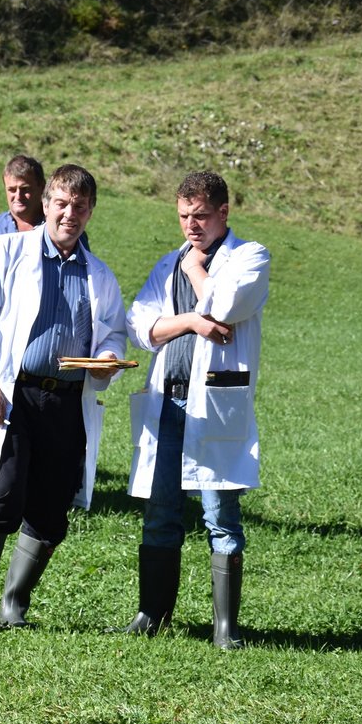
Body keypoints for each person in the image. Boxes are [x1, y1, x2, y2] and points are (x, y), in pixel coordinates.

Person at [0, 164, 127, 633]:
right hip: (15, 394)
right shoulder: (6, 251)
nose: (71, 214)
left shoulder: (99, 274)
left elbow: (112, 330)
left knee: (52, 504)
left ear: (91, 212)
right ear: (47, 204)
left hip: (67, 402)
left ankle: (14, 605)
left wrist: (109, 356)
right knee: (1, 491)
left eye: (81, 206)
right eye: (63, 204)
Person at [118, 170, 270, 649]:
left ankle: (226, 629)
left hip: (215, 404)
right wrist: (192, 323)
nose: (191, 225)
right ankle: (152, 614)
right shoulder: (169, 262)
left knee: (219, 515)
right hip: (168, 400)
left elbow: (225, 304)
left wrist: (195, 274)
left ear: (224, 212)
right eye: (184, 216)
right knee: (161, 512)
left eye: (201, 216)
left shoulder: (250, 257)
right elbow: (139, 324)